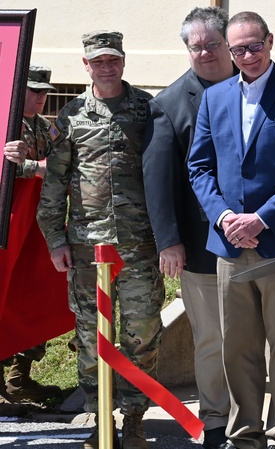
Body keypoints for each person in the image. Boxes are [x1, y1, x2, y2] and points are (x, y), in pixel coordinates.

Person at [143, 8, 275, 449]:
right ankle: (244, 436)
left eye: (254, 45)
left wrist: (262, 219)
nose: (247, 55)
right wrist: (226, 218)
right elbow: (199, 166)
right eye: (238, 48)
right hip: (228, 245)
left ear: (270, 41)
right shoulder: (215, 97)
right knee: (237, 347)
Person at [37, 31, 164, 449]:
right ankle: (101, 418)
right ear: (86, 65)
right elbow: (54, 183)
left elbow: (166, 176)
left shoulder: (147, 109)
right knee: (92, 336)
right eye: (98, 61)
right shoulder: (71, 116)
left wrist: (170, 238)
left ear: (123, 62)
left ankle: (135, 419)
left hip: (140, 246)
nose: (106, 67)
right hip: (87, 249)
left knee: (141, 333)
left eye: (113, 59)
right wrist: (55, 239)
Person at [0, 65, 66, 404]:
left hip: (40, 224)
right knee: (4, 296)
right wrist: (34, 168)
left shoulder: (44, 127)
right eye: (34, 90)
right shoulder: (5, 121)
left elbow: (62, 159)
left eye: (44, 91)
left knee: (37, 296)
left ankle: (18, 377)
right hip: (8, 223)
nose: (41, 97)